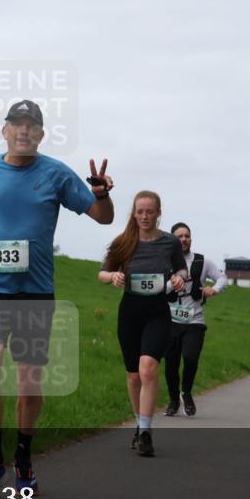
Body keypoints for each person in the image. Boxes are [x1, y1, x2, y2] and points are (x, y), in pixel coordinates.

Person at [0, 99, 114, 493]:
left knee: (30, 381)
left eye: (31, 126)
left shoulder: (56, 174)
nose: (23, 131)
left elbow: (103, 218)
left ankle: (22, 456)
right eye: (16, 124)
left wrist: (101, 194)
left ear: (41, 134)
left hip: (35, 291)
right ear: (4, 131)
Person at [98, 191, 187, 456]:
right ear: (134, 214)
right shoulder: (124, 242)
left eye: (150, 212)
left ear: (159, 213)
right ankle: (139, 424)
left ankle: (146, 433)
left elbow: (181, 269)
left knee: (148, 368)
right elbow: (101, 273)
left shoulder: (169, 243)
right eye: (140, 212)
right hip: (130, 312)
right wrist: (113, 276)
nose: (145, 217)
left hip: (158, 311)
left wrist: (180, 279)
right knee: (134, 375)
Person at [162, 222, 227, 416]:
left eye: (187, 236)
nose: (183, 239)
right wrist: (172, 284)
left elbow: (222, 278)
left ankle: (186, 392)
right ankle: (174, 400)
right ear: (172, 239)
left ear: (191, 239)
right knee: (171, 364)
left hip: (194, 321)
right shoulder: (165, 261)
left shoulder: (202, 261)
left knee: (190, 358)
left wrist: (213, 289)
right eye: (179, 236)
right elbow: (157, 288)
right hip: (170, 321)